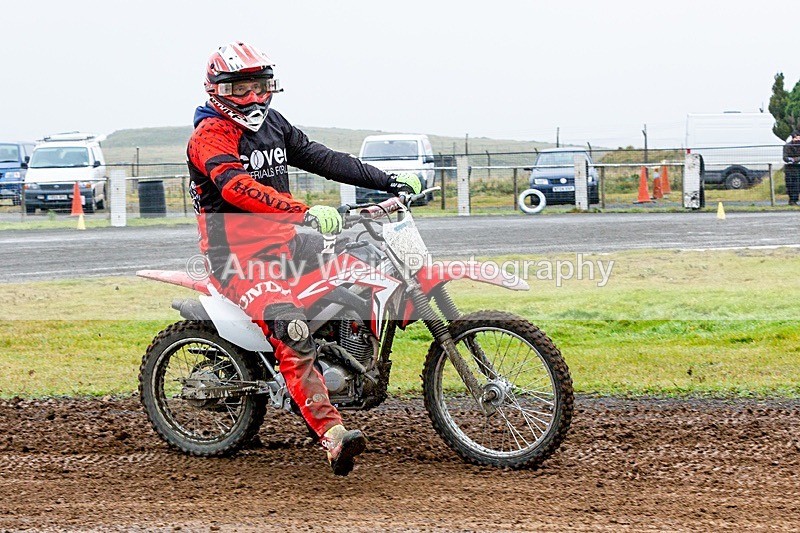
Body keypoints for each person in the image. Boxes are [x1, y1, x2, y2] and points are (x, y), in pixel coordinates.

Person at [186, 41, 421, 475]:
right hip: (238, 258)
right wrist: (305, 211)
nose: (253, 97)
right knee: (291, 328)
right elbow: (236, 186)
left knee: (364, 259)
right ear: (217, 90)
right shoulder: (210, 136)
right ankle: (332, 436)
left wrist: (388, 181)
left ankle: (346, 362)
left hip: (287, 243)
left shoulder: (272, 124)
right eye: (241, 88)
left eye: (259, 85)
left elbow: (321, 158)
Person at [783, 129, 800, 206]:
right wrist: (792, 159)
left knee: (797, 185)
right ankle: (792, 201)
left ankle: (795, 200)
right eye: (796, 138)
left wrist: (797, 159)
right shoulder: (787, 146)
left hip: (798, 168)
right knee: (790, 185)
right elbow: (785, 157)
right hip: (789, 169)